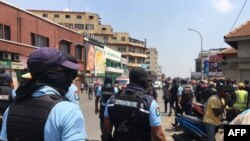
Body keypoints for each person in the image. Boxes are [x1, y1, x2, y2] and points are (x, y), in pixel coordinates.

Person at [0, 47, 87, 141]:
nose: (70, 78)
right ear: (53, 74)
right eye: (66, 72)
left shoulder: (11, 109)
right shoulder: (68, 111)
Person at [102, 68, 166, 141]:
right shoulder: (150, 103)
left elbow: (106, 130)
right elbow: (158, 135)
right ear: (144, 81)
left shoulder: (112, 100)